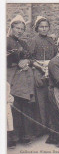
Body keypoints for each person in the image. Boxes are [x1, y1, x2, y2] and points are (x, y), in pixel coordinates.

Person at [7, 15, 35, 145]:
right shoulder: (6, 41)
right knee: (13, 104)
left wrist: (27, 61)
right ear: (11, 28)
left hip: (24, 76)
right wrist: (16, 62)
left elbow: (29, 57)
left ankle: (25, 135)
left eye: (22, 29)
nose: (19, 31)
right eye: (17, 28)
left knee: (25, 104)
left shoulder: (23, 43)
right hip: (10, 75)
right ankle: (12, 137)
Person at [28, 16, 57, 135]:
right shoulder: (34, 40)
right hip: (38, 70)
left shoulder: (51, 40)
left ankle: (51, 126)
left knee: (50, 99)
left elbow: (55, 55)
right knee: (40, 100)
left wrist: (50, 66)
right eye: (41, 27)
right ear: (37, 28)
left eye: (46, 27)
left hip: (50, 71)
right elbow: (30, 58)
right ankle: (41, 128)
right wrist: (40, 66)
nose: (44, 29)